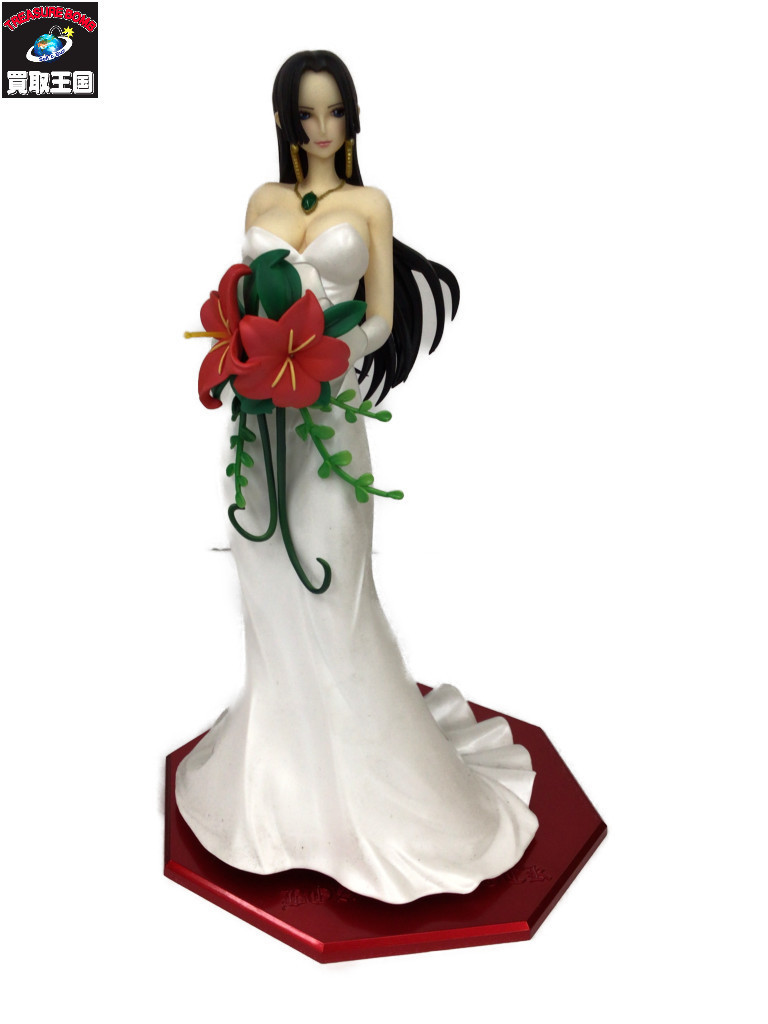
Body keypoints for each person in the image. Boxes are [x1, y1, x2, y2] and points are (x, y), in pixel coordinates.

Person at [176, 50, 538, 904]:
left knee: (333, 590)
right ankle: (284, 788)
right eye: (306, 114)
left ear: (353, 116)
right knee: (267, 581)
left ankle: (383, 801)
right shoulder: (262, 202)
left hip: (326, 406)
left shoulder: (369, 205)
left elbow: (379, 319)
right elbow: (241, 296)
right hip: (259, 422)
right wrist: (248, 347)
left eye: (334, 110)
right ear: (283, 121)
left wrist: (326, 340)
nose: (321, 127)